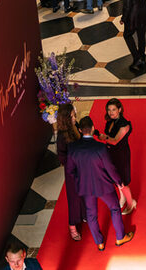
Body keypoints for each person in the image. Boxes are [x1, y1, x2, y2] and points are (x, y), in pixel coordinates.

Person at [65, 116, 135, 250]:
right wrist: (119, 182)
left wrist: (81, 180)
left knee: (91, 215)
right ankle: (120, 237)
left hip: (85, 187)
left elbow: (70, 170)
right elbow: (110, 168)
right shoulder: (101, 148)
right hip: (104, 185)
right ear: (92, 128)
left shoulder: (73, 148)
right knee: (114, 209)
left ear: (80, 130)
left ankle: (100, 243)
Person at [99, 98, 137, 215]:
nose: (111, 112)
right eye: (109, 110)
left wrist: (103, 137)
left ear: (120, 109)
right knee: (116, 179)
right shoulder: (110, 121)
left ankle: (131, 203)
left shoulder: (124, 124)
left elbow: (115, 141)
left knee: (122, 181)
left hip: (121, 155)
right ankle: (123, 198)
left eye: (114, 109)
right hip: (111, 154)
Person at [55, 103, 84, 241]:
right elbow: (62, 157)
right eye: (72, 115)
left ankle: (83, 215)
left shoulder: (75, 125)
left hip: (82, 168)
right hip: (72, 172)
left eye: (74, 114)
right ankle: (72, 226)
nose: (75, 117)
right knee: (74, 199)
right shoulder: (62, 136)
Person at [121, 0, 146, 73]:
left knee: (127, 35)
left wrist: (123, 18)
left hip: (133, 17)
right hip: (144, 13)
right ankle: (142, 56)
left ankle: (137, 58)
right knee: (141, 36)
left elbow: (127, 7)